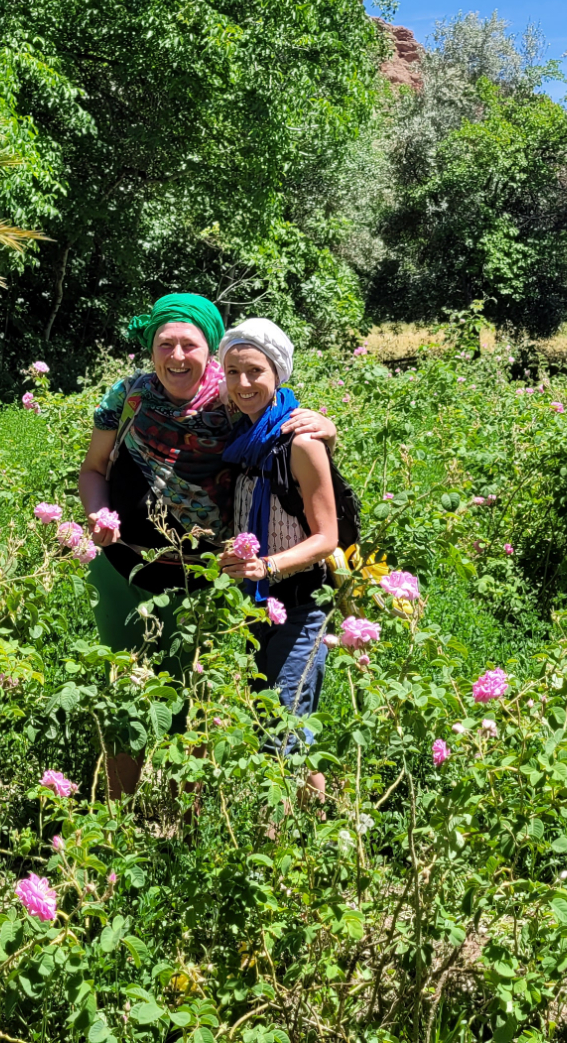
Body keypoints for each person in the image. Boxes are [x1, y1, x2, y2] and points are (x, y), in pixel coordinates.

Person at [78, 293, 334, 797]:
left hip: (204, 585)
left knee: (195, 703)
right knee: (124, 696)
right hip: (122, 573)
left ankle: (184, 826)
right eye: (164, 343)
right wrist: (95, 515)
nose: (176, 355)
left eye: (189, 344)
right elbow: (92, 470)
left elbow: (285, 426)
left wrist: (327, 428)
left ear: (211, 348)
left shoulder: (233, 401)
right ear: (150, 349)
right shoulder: (127, 396)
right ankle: (113, 818)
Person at [213, 319, 336, 794]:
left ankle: (280, 843)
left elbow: (327, 537)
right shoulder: (244, 438)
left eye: (255, 372)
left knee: (284, 722)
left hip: (301, 601)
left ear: (278, 373)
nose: (243, 384)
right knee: (276, 716)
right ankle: (322, 820)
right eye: (232, 372)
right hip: (255, 601)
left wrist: (267, 566)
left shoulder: (300, 441)